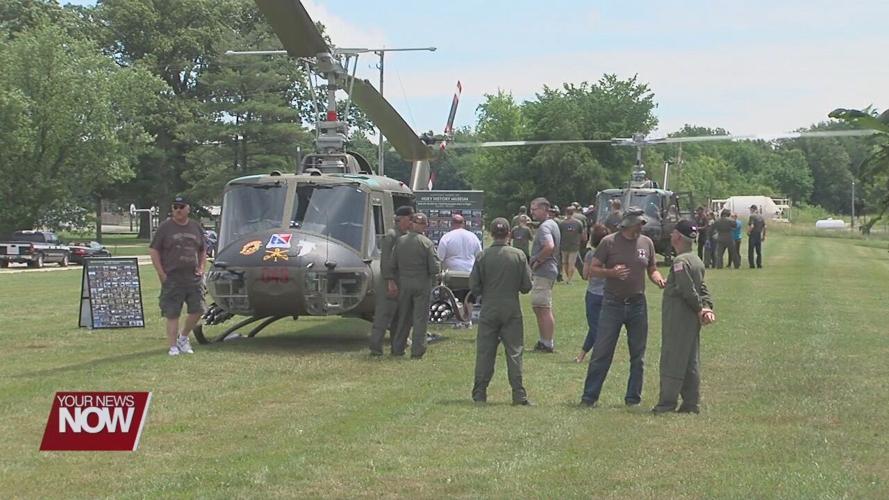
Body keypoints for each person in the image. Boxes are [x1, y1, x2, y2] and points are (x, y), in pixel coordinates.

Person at [580, 207, 666, 407]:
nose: (641, 226)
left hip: (637, 303)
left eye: (642, 223)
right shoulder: (609, 242)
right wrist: (611, 273)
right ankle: (589, 397)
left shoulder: (647, 243)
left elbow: (652, 269)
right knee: (602, 351)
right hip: (613, 303)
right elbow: (592, 270)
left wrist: (658, 279)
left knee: (638, 355)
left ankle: (632, 398)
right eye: (638, 223)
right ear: (627, 223)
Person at [652, 220, 716, 414]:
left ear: (678, 236)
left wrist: (699, 308)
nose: (670, 236)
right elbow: (702, 287)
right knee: (690, 359)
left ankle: (666, 403)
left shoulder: (680, 262)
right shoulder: (696, 260)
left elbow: (687, 289)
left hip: (678, 317)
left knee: (673, 358)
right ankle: (691, 403)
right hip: (691, 318)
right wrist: (707, 307)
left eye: (673, 233)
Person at [470, 218, 534, 405]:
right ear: (509, 234)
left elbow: (474, 286)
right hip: (511, 308)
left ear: (491, 234)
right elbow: (526, 286)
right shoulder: (519, 255)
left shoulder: (482, 256)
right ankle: (518, 394)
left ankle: (480, 393)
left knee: (485, 352)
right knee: (514, 352)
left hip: (489, 307)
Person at [149, 195, 206, 356]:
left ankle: (183, 337)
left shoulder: (195, 227)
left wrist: (201, 267)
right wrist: (161, 273)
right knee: (172, 312)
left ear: (188, 208)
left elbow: (202, 249)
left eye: (181, 207)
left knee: (198, 309)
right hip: (173, 277)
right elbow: (153, 250)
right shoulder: (165, 228)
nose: (178, 210)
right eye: (175, 207)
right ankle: (173, 346)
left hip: (193, 277)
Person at [390, 213, 441, 359]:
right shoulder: (426, 243)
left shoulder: (400, 241)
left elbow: (392, 264)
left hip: (404, 283)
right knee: (420, 319)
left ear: (412, 224)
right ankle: (417, 350)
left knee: (403, 317)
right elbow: (434, 268)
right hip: (421, 284)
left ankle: (398, 347)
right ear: (424, 225)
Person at [370, 205, 414, 356]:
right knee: (383, 316)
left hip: (402, 281)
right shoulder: (391, 236)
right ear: (400, 219)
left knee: (400, 317)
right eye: (409, 218)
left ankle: (398, 348)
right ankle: (376, 349)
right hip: (390, 282)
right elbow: (385, 261)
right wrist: (390, 281)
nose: (411, 222)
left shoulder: (405, 235)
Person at [528, 197, 560, 353]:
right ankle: (544, 340)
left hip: (544, 270)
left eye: (534, 209)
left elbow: (549, 246)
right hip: (548, 270)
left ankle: (547, 343)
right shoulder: (552, 224)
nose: (531, 212)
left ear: (545, 209)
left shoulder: (545, 227)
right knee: (539, 306)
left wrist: (537, 261)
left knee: (542, 307)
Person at [575, 224, 609, 363]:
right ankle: (581, 355)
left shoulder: (590, 254)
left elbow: (585, 275)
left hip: (594, 294)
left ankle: (601, 355)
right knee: (597, 326)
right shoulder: (612, 254)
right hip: (608, 294)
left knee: (595, 327)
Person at [558, 206, 584, 284]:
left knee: (565, 263)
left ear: (566, 213)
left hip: (564, 245)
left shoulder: (562, 223)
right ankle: (569, 279)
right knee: (571, 263)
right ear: (573, 213)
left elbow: (559, 234)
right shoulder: (579, 223)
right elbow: (581, 234)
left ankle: (568, 278)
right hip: (574, 246)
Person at [748, 204, 767, 268]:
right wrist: (763, 235)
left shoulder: (752, 216)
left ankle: (752, 265)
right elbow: (765, 227)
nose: (750, 210)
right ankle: (759, 264)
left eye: (750, 209)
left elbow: (752, 225)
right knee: (758, 251)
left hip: (753, 235)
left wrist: (748, 231)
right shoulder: (761, 217)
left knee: (751, 250)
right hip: (759, 234)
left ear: (753, 209)